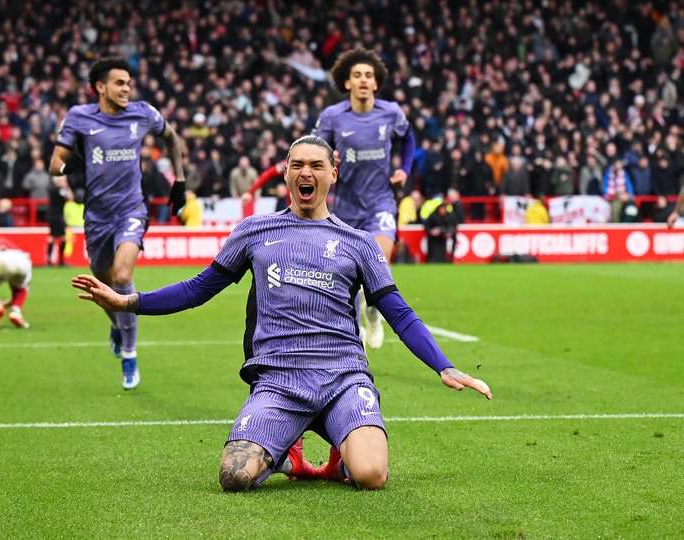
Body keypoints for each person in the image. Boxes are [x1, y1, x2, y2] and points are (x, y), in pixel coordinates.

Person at [71, 135, 491, 492]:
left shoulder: (360, 243)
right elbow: (199, 289)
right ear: (287, 174)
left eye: (316, 166)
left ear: (333, 174)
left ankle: (334, 456)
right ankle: (286, 449)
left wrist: (443, 365)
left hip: (343, 376)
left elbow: (398, 312)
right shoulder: (255, 230)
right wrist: (129, 301)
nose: (306, 173)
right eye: (297, 165)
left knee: (371, 475)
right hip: (278, 379)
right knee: (233, 476)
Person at [49, 56, 186, 390]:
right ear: (100, 87)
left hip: (131, 210)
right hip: (96, 216)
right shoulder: (80, 118)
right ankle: (117, 325)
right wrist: (75, 169)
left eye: (129, 83)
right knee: (102, 283)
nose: (127, 88)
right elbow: (55, 165)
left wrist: (179, 181)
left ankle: (129, 353)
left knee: (122, 276)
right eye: (119, 83)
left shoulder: (143, 114)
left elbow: (173, 138)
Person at [312, 47, 416, 350]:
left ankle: (372, 313)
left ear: (376, 83)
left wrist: (404, 169)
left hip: (380, 203)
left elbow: (407, 139)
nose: (362, 80)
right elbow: (313, 149)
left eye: (368, 75)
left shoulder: (391, 112)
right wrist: (327, 159)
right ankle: (356, 321)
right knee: (348, 276)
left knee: (377, 263)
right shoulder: (332, 117)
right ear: (347, 83)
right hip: (344, 207)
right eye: (357, 75)